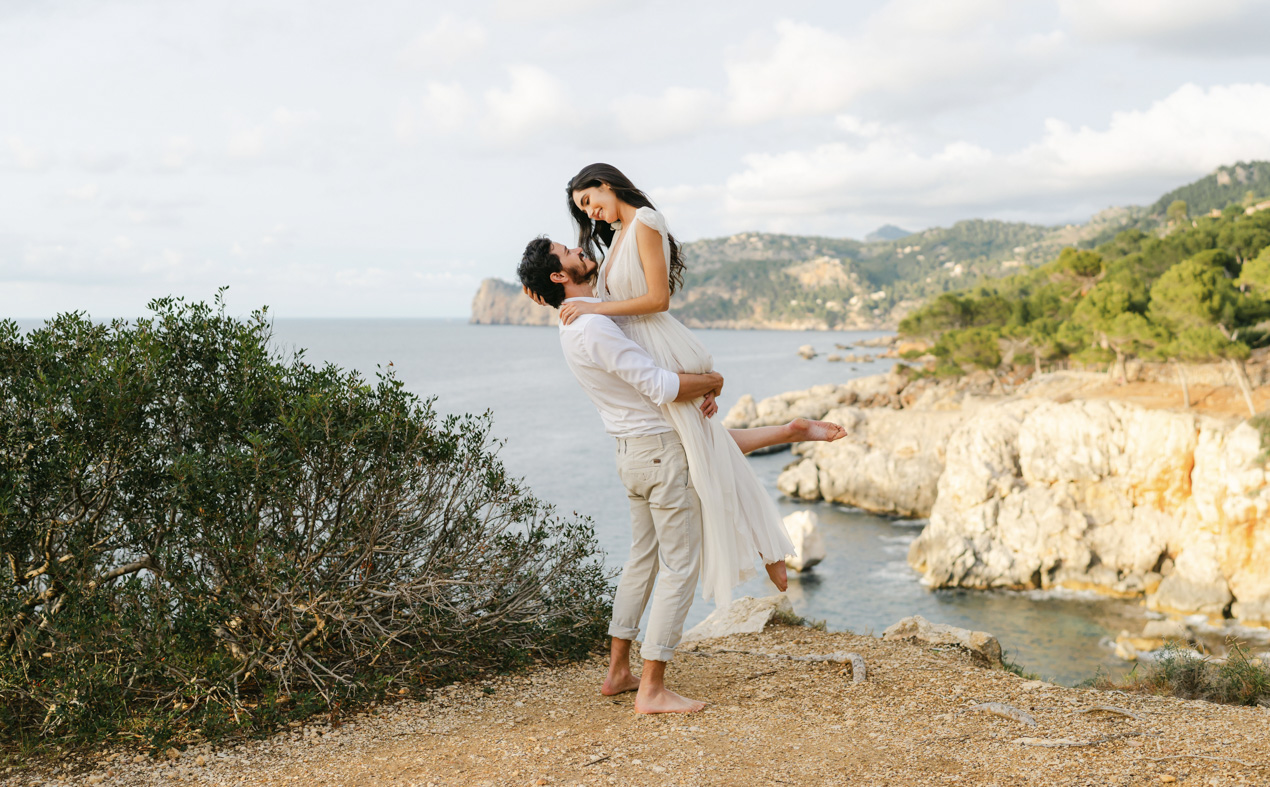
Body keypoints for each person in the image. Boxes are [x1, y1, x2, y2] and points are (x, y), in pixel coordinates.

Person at [558, 163, 844, 606]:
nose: (591, 213)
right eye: (584, 210)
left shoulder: (646, 222)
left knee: (703, 449)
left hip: (662, 345)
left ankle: (771, 546)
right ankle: (790, 446)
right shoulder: (619, 234)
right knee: (704, 443)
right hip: (650, 351)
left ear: (606, 184)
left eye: (590, 200)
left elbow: (658, 299)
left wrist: (595, 312)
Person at [518, 237, 714, 714]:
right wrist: (712, 381)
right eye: (569, 251)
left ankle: (618, 672)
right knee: (680, 565)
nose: (582, 249)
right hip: (661, 452)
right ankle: (652, 689)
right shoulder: (593, 327)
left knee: (642, 559)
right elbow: (660, 385)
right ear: (561, 276)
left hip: (631, 454)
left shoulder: (579, 323)